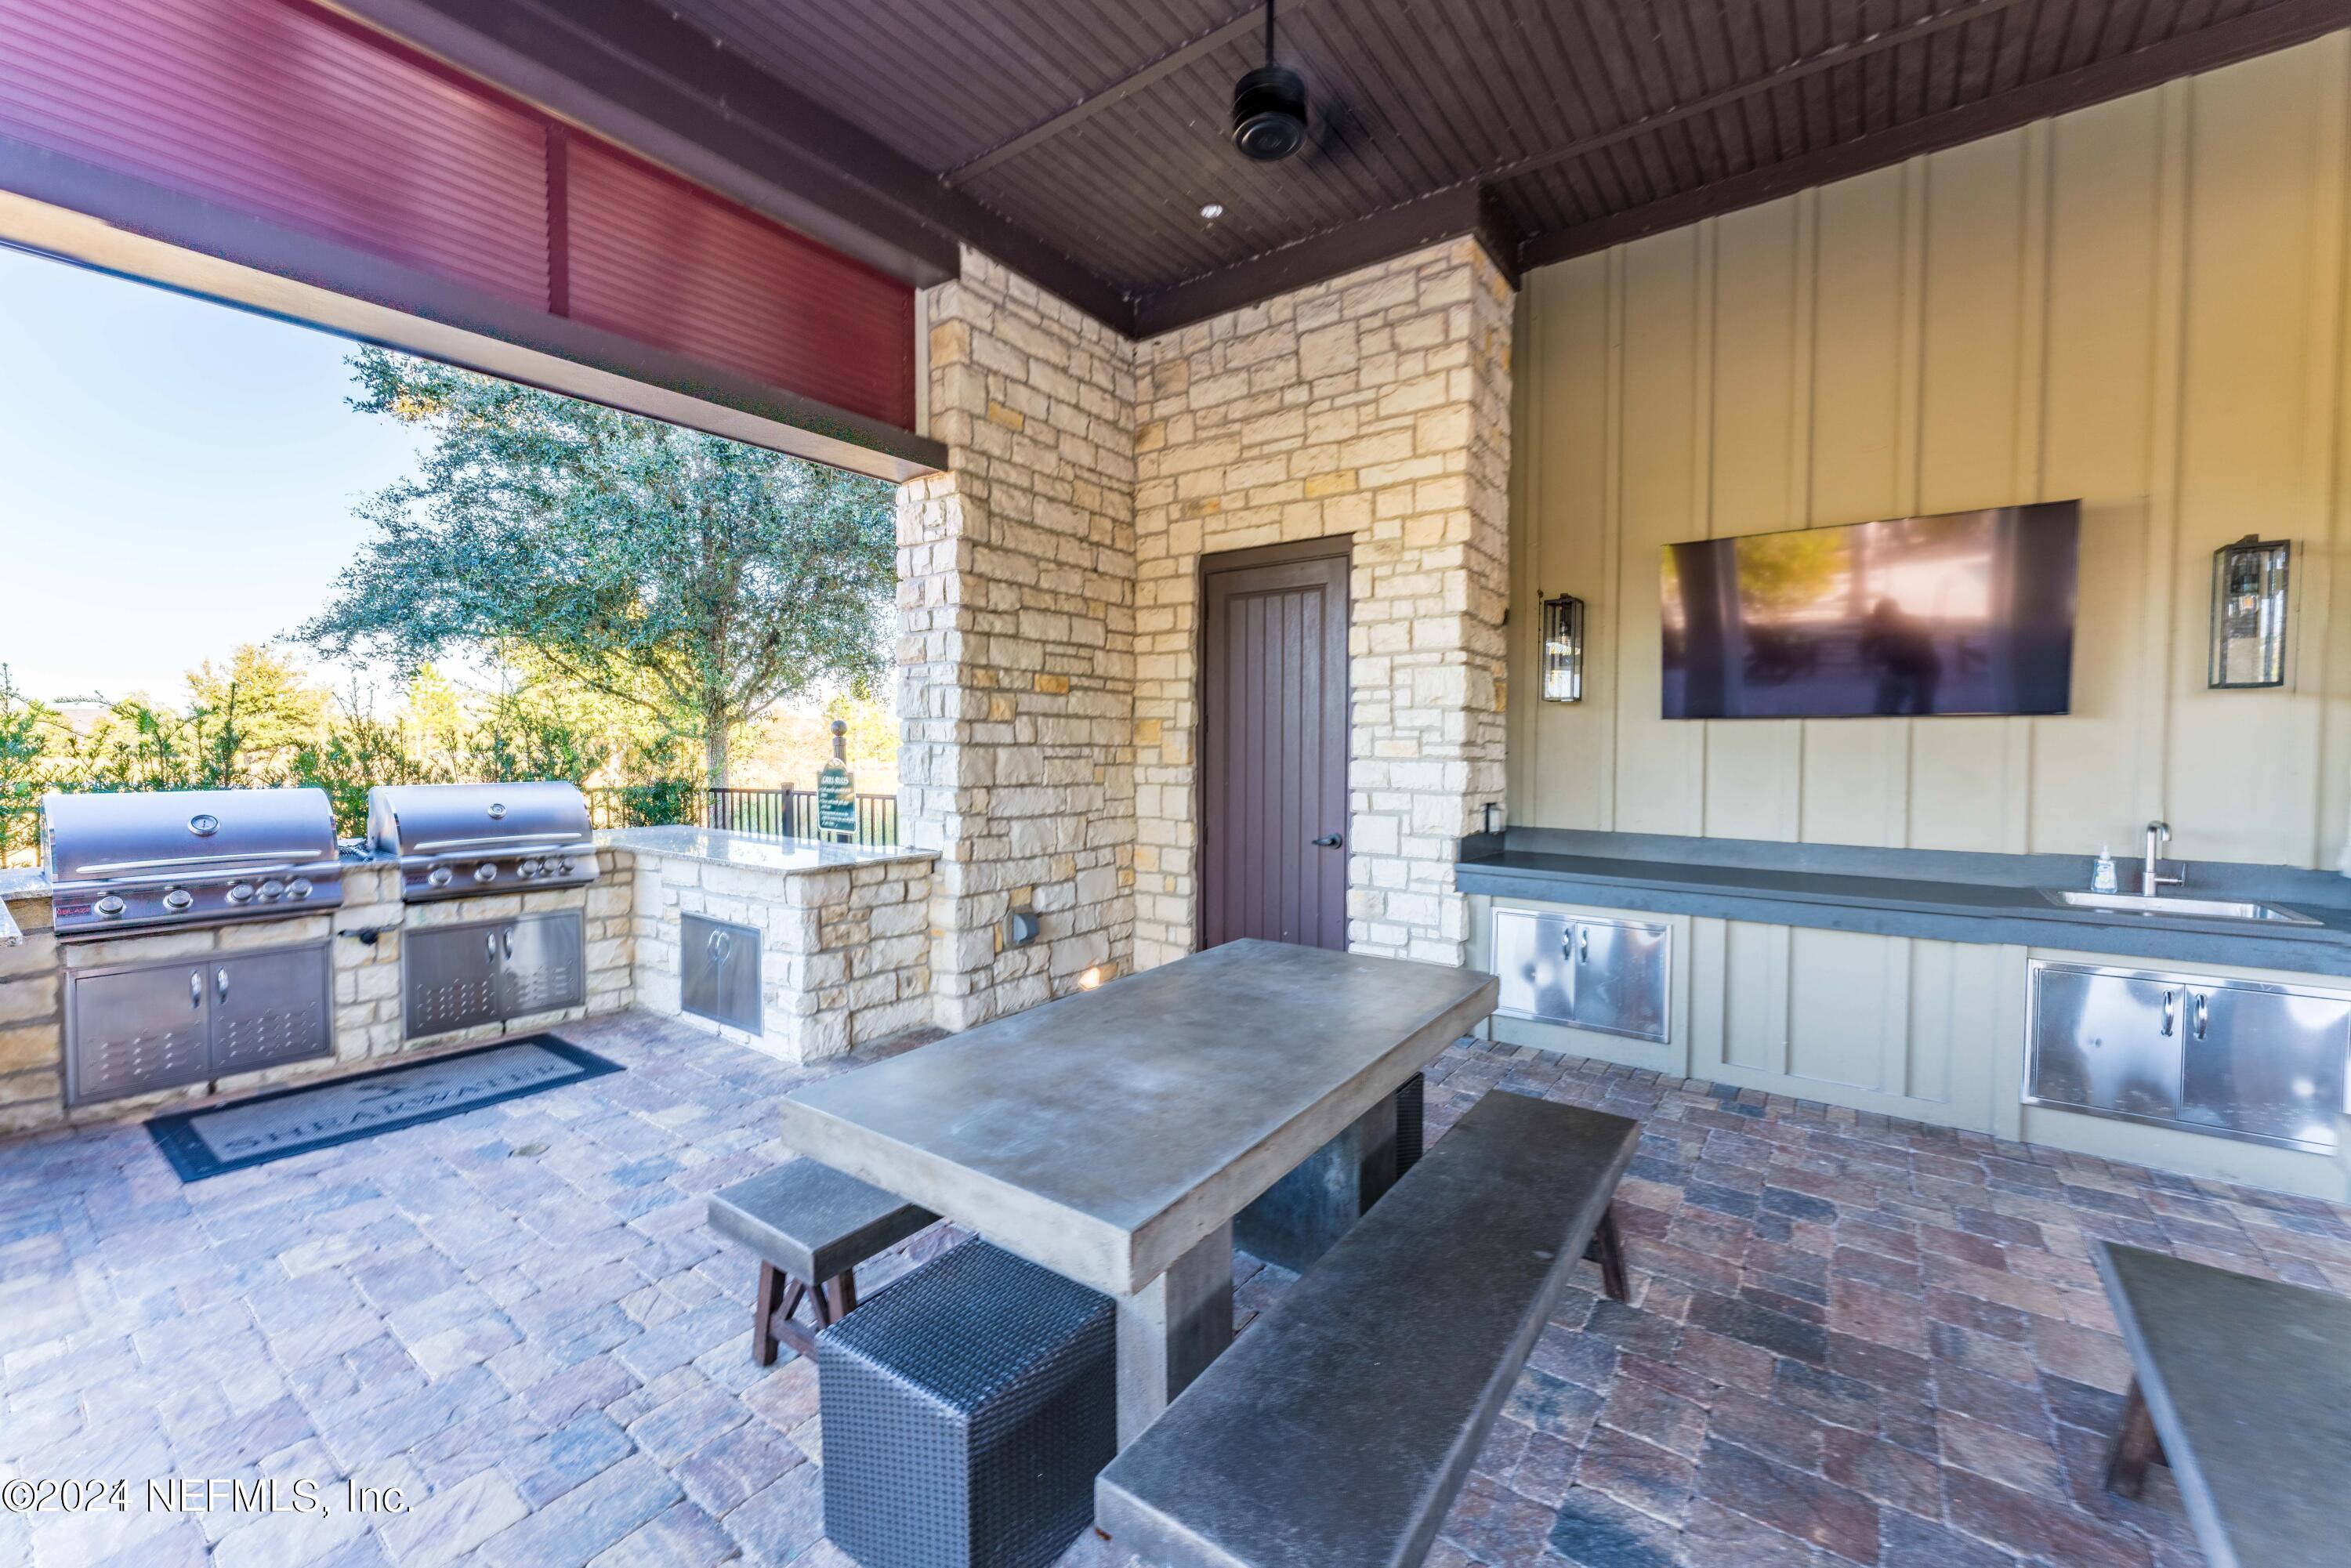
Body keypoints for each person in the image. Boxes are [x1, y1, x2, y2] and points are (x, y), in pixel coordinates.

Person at [1858, 598, 1941, 715]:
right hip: (1895, 670)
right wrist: (1869, 636)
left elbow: (1914, 647)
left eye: (1887, 616)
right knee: (1884, 710)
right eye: (1882, 618)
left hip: (1922, 672)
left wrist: (1885, 639)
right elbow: (1864, 646)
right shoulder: (1878, 624)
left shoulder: (1913, 623)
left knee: (1921, 711)